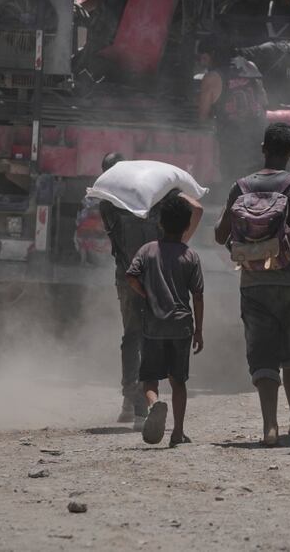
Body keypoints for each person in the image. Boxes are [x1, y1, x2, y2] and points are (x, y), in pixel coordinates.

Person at [214, 123, 290, 446]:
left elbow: (220, 235)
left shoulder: (240, 187)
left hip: (253, 283)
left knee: (262, 352)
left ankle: (269, 427)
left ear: (263, 148)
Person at [94, 152, 204, 427]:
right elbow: (196, 207)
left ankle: (132, 404)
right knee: (151, 338)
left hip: (128, 277)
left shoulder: (107, 204)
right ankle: (139, 405)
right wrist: (180, 244)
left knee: (131, 337)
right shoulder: (158, 197)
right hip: (159, 275)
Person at [126, 194, 205, 448]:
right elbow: (198, 295)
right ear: (186, 226)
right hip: (182, 325)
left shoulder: (147, 250)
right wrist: (199, 331)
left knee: (150, 378)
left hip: (154, 325)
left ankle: (153, 404)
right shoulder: (190, 256)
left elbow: (131, 276)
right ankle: (178, 432)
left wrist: (146, 293)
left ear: (160, 223)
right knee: (178, 381)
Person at [197, 35, 269, 183]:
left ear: (213, 54)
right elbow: (264, 101)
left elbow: (202, 117)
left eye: (204, 57)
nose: (202, 62)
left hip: (233, 146)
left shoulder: (212, 78)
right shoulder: (250, 66)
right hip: (260, 139)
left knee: (234, 188)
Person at [238, 19, 290, 111]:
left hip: (279, 117)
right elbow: (236, 56)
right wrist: (254, 85)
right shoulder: (272, 50)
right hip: (254, 112)